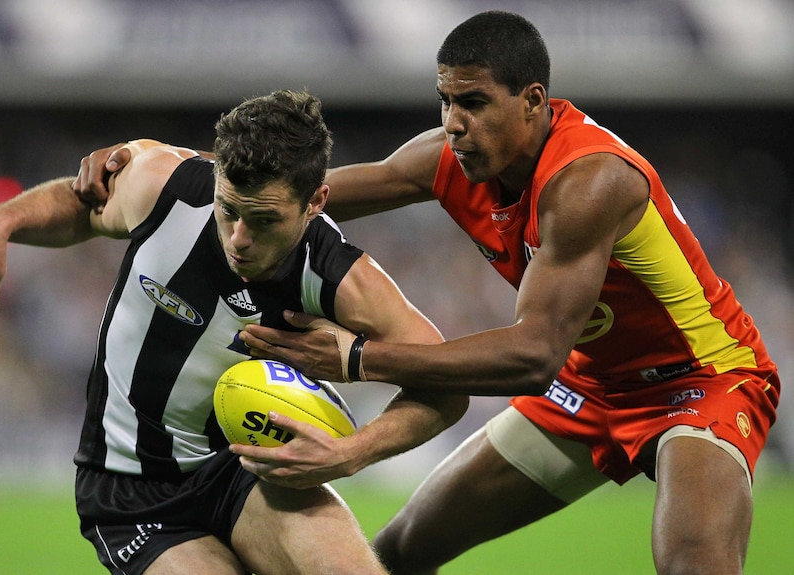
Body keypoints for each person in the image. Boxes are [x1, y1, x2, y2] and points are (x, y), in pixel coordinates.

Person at [72, 13, 780, 575]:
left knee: (693, 565)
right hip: (589, 389)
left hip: (700, 381)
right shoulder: (452, 160)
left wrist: (361, 356)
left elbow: (532, 356)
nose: (452, 122)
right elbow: (291, 197)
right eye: (444, 100)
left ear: (534, 102)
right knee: (400, 550)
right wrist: (160, 170)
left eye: (472, 102)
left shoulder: (588, 182)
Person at [0, 89, 468, 575]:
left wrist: (353, 452)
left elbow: (447, 384)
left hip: (243, 469)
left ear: (316, 202)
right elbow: (84, 208)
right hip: (130, 487)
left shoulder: (341, 277)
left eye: (263, 220)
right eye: (228, 210)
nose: (238, 238)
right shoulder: (165, 185)